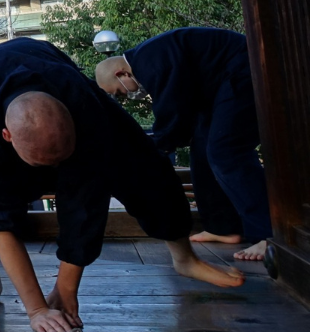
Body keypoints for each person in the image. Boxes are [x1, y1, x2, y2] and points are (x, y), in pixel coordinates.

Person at [0, 38, 243, 332]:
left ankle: (184, 258)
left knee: (146, 164)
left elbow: (85, 202)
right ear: (6, 135)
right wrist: (36, 309)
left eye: (60, 161)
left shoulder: (85, 108)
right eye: (44, 164)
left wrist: (66, 289)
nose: (55, 172)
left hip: (58, 75)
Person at [95, 27, 271, 261]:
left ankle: (269, 234)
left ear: (121, 74)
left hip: (243, 72)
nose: (125, 97)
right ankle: (223, 226)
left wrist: (156, 148)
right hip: (219, 88)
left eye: (119, 92)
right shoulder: (148, 58)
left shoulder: (150, 62)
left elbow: (172, 109)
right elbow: (179, 109)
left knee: (227, 153)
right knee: (201, 152)